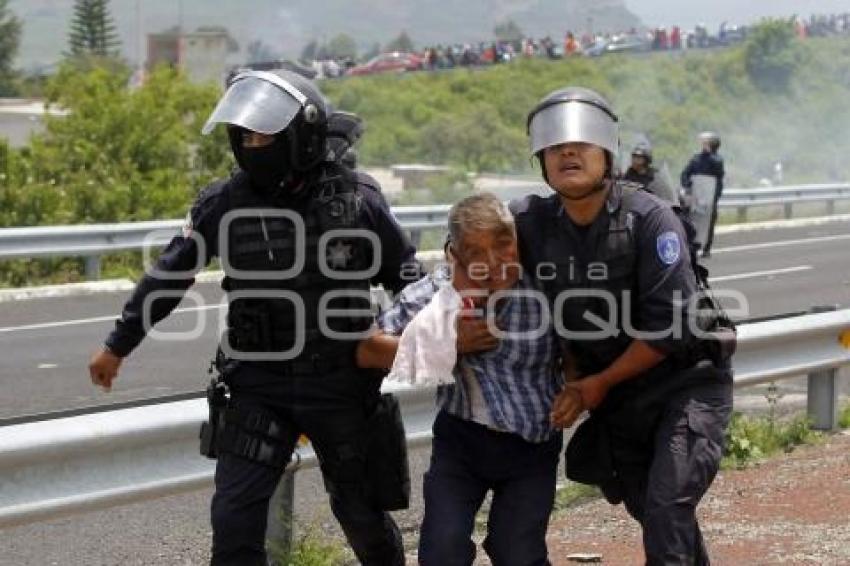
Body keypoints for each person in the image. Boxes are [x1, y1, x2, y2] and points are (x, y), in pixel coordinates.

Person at [88, 69, 418, 566]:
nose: (251, 143)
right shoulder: (224, 201)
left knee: (362, 517)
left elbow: (408, 279)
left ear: (301, 132)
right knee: (235, 521)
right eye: (244, 134)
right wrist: (118, 345)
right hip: (257, 383)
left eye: (263, 133)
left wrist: (415, 342)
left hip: (342, 382)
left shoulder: (357, 197)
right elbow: (170, 274)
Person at [512, 86, 733, 565]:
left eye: (581, 142)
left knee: (667, 507)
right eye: (553, 145)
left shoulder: (651, 220)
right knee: (652, 513)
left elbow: (669, 327)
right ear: (541, 159)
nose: (567, 151)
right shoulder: (529, 223)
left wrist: (596, 384)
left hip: (685, 384)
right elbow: (470, 243)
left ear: (607, 152)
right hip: (618, 398)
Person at [357, 193, 564, 566]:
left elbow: (581, 345)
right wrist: (449, 343)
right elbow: (366, 349)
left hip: (533, 445)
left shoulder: (544, 286)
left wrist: (577, 388)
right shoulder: (437, 295)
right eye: (476, 252)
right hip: (462, 444)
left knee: (518, 552)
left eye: (503, 245)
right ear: (455, 253)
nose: (493, 262)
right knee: (442, 551)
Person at [680, 131, 724, 257]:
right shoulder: (696, 158)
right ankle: (692, 244)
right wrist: (687, 184)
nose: (703, 145)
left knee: (709, 222)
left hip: (710, 197)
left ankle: (706, 248)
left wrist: (709, 153)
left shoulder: (717, 160)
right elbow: (685, 173)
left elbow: (718, 170)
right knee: (693, 219)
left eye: (707, 143)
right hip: (696, 195)